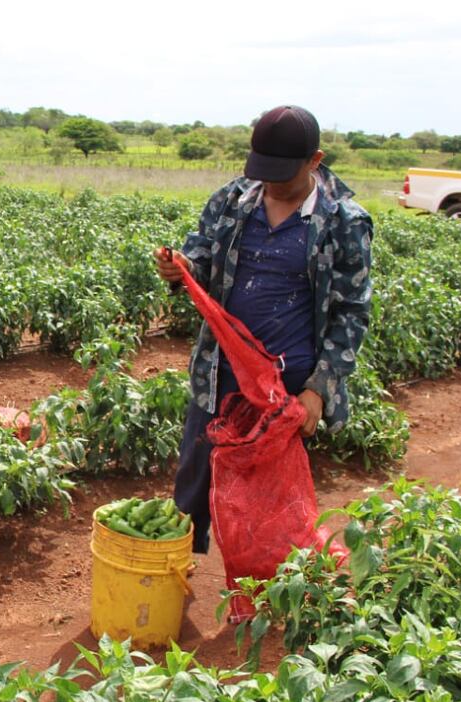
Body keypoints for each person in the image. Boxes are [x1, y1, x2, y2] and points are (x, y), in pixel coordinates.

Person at [155, 105, 373, 554]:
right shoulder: (231, 201)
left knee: (272, 503)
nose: (270, 183)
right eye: (263, 171)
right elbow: (202, 256)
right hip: (220, 370)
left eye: (282, 174)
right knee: (194, 484)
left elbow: (351, 311)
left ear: (315, 161)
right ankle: (178, 571)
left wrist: (318, 390)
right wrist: (183, 268)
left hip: (285, 386)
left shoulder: (343, 222)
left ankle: (262, 585)